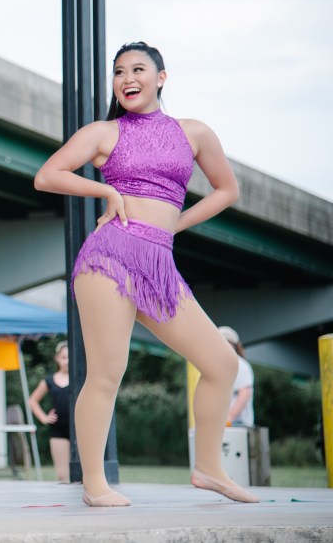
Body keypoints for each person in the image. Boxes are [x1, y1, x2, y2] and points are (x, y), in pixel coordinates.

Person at [33, 41, 259, 507]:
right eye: (118, 72)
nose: (127, 79)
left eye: (138, 69)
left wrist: (176, 223)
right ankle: (94, 484)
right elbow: (48, 175)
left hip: (159, 263)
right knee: (106, 373)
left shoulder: (192, 132)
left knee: (222, 363)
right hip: (110, 257)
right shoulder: (103, 132)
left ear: (161, 77)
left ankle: (209, 469)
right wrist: (106, 193)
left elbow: (226, 189)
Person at [27, 341, 71, 483]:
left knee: (82, 472)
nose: (67, 361)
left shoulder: (81, 378)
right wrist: (44, 418)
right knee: (62, 475)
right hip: (58, 429)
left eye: (69, 357)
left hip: (79, 428)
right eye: (63, 357)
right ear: (57, 358)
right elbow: (32, 401)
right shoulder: (50, 381)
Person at [218, 326, 254, 427]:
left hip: (237, 424)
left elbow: (245, 393)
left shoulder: (239, 364)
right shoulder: (221, 365)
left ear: (232, 344)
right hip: (226, 424)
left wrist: (229, 418)